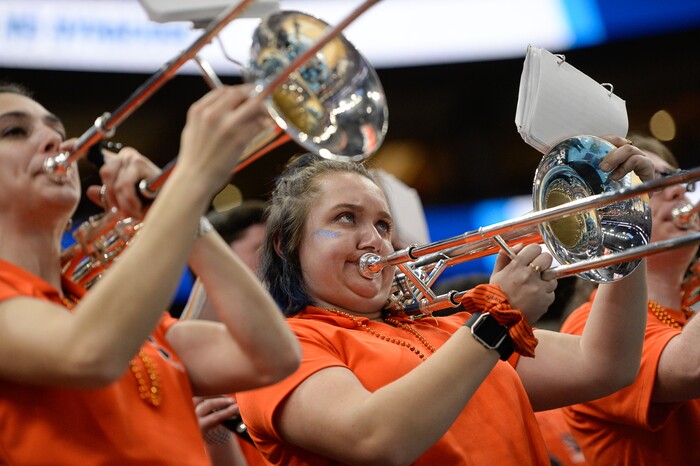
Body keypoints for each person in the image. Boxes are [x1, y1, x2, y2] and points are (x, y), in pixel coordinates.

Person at [235, 139, 654, 465]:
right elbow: (374, 438)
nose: (375, 240)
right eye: (346, 218)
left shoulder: (447, 328)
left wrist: (626, 225)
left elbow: (605, 365)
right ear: (286, 244)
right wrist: (495, 320)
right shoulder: (280, 352)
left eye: (383, 224)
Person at [0, 82, 301, 464]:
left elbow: (273, 356)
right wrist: (190, 180)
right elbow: (87, 352)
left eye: (57, 132)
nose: (55, 142)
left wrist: (187, 220)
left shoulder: (103, 311)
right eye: (14, 131)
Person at [559, 134, 700, 465]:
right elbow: (692, 367)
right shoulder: (588, 326)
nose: (680, 190)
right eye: (653, 182)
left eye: (677, 179)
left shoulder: (687, 307)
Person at [187, 200, 271, 466]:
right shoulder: (179, 352)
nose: (275, 264)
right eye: (260, 251)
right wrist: (216, 437)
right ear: (220, 257)